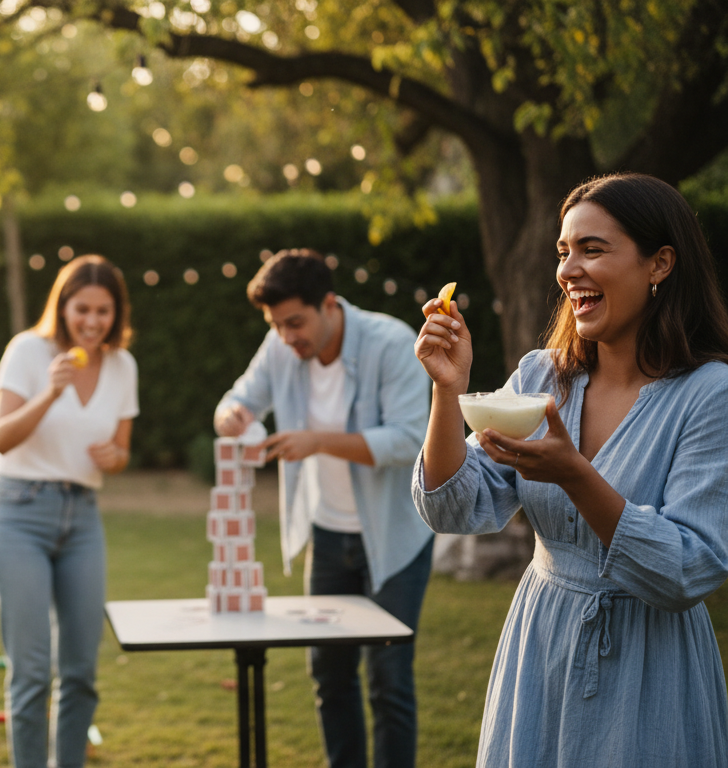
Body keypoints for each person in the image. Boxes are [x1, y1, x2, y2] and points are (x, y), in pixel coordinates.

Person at [414, 173, 728, 765]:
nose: (568, 270)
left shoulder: (709, 395)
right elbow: (452, 506)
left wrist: (575, 475)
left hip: (650, 664)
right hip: (541, 642)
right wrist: (447, 390)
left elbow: (689, 570)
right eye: (563, 252)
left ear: (659, 264)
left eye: (592, 249)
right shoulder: (541, 376)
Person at [214, 249, 433, 768]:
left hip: (395, 539)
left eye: (294, 322)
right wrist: (233, 414)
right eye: (276, 325)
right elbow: (238, 397)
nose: (287, 337)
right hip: (328, 538)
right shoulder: (281, 345)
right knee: (329, 678)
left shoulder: (392, 342)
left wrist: (318, 440)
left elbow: (407, 441)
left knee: (389, 681)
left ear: (329, 304)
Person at [0, 254, 137, 768]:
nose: (93, 322)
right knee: (30, 672)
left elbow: (119, 452)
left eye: (104, 311)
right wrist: (50, 391)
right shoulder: (29, 351)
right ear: (63, 307)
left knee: (80, 672)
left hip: (82, 518)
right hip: (19, 513)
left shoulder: (122, 365)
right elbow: (0, 438)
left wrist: (116, 458)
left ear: (117, 314)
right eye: (83, 310)